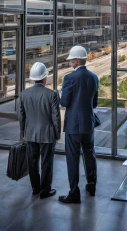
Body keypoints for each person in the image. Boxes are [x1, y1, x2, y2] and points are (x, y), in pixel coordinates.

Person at [59, 45, 99, 204]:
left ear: (76, 61)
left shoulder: (69, 78)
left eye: (71, 60)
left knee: (73, 158)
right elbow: (94, 103)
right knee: (90, 155)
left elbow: (63, 102)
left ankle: (74, 192)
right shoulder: (94, 77)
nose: (70, 63)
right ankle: (91, 186)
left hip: (73, 126)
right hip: (88, 123)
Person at [19, 62, 61, 199]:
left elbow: (21, 116)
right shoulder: (52, 94)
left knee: (32, 162)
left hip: (30, 134)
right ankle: (45, 191)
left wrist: (22, 134)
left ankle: (35, 188)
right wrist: (57, 134)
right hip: (47, 135)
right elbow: (55, 116)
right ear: (44, 78)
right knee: (46, 163)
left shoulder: (23, 94)